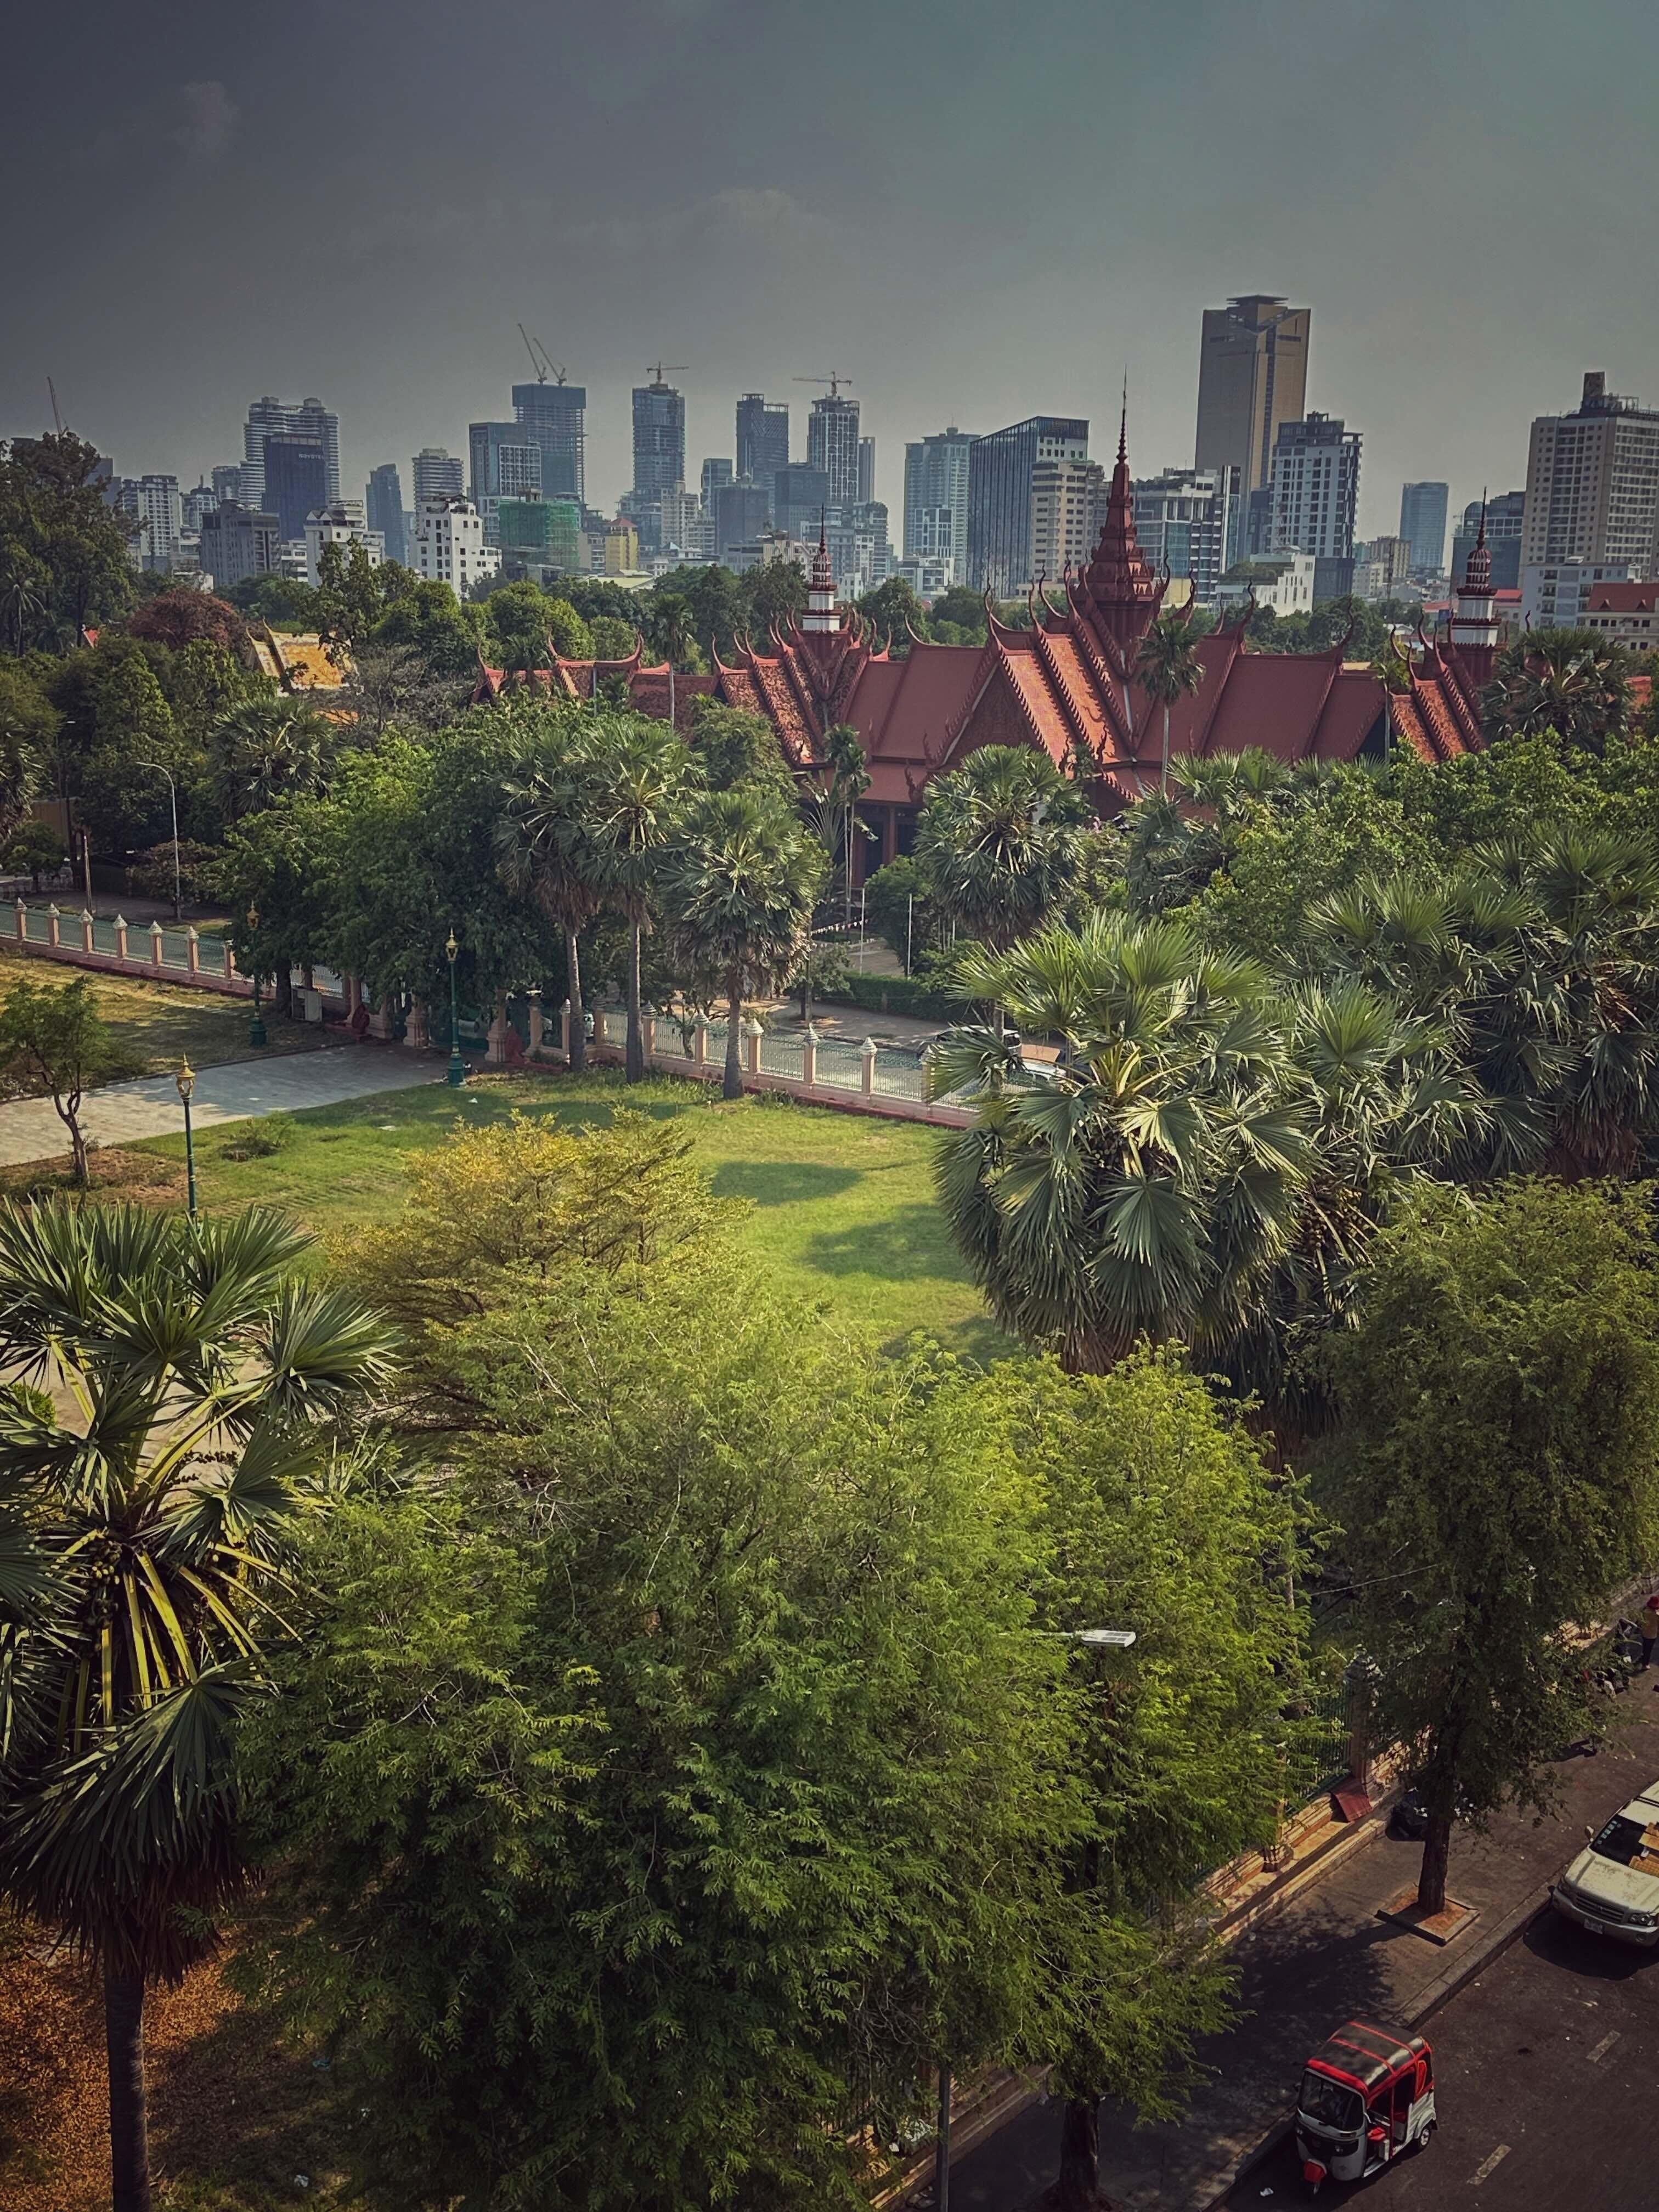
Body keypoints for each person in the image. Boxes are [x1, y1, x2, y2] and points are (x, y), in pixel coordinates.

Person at [1640, 1590, 1659, 1671]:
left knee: (1645, 1647)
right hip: (1652, 1635)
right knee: (1649, 1649)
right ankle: (1645, 1664)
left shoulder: (1645, 1611)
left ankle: (1643, 1659)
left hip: (1644, 1633)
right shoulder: (1655, 1615)